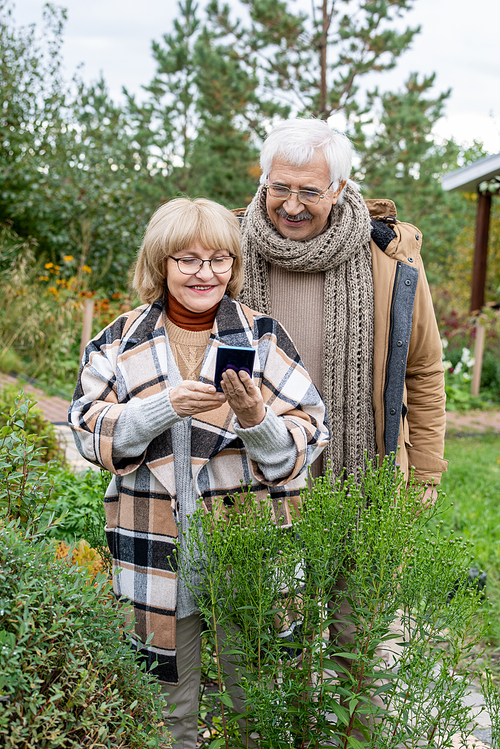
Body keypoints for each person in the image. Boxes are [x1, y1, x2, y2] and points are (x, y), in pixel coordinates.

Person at [68, 197, 329, 747]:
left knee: (258, 705)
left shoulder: (261, 337)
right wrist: (163, 406)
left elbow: (306, 439)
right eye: (186, 260)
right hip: (154, 548)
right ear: (160, 264)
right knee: (168, 712)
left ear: (234, 266)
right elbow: (88, 431)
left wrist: (257, 419)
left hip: (247, 548)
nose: (204, 273)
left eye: (218, 260)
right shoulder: (118, 341)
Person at [237, 117, 448, 738]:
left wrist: (427, 472)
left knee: (360, 642)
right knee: (273, 642)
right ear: (262, 182)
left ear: (340, 187)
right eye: (281, 189)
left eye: (310, 191)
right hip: (260, 477)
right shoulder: (231, 250)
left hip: (365, 475)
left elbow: (425, 372)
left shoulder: (390, 259)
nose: (292, 205)